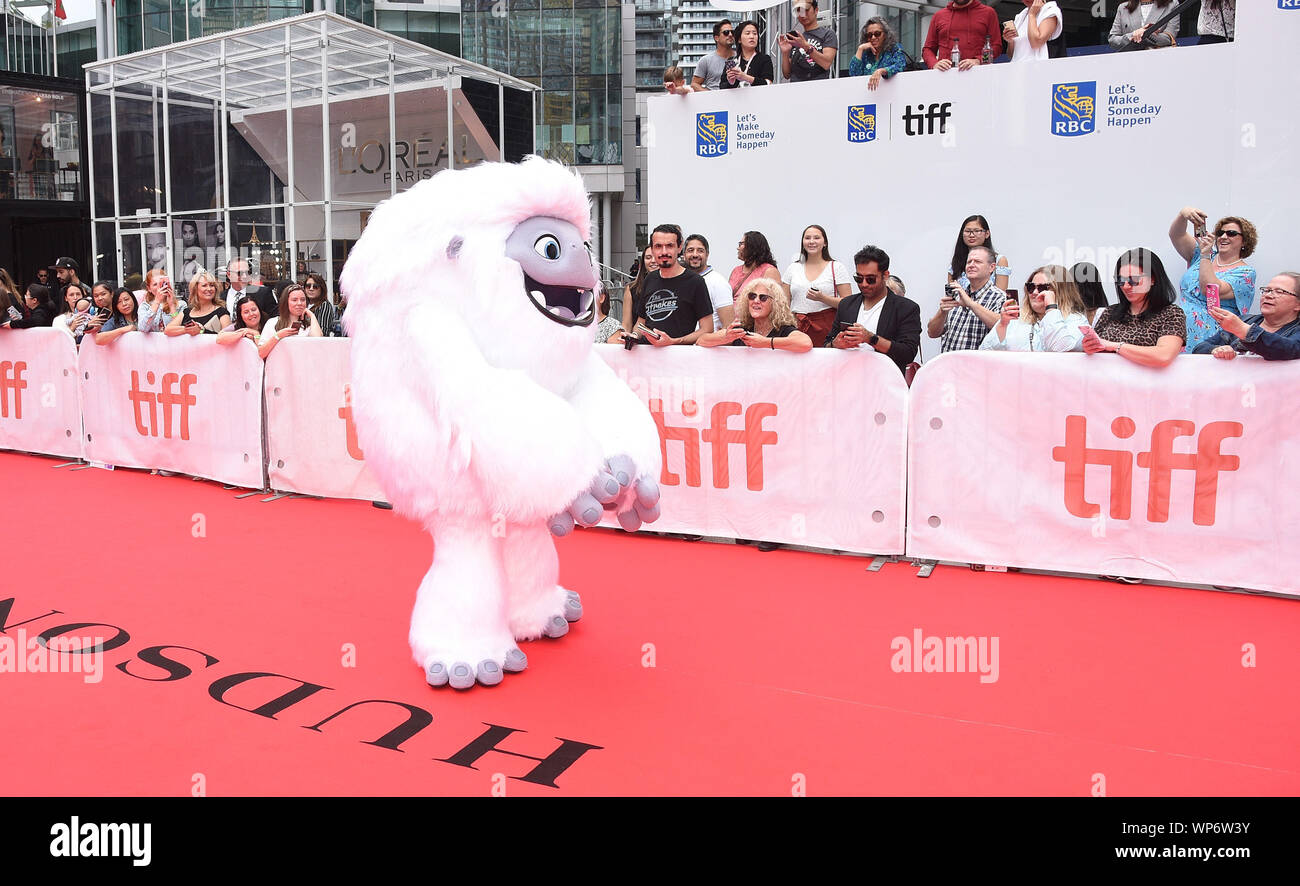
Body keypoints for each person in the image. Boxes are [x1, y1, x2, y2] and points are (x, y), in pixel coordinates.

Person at [1168, 206, 1258, 353]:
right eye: (1220, 233)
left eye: (1231, 233)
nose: (1223, 237)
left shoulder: (1245, 272)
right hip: (1180, 332)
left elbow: (1209, 289)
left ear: (1245, 242)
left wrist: (1205, 256)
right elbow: (1176, 235)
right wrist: (1183, 215)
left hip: (1212, 338)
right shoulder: (1200, 253)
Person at [827, 245, 921, 375]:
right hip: (847, 379)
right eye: (858, 278)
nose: (864, 284)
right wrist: (835, 344)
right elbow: (826, 345)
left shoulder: (906, 308)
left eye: (871, 279)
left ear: (885, 275)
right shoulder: (847, 304)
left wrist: (871, 339)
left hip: (885, 382)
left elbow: (907, 353)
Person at [1084, 248, 1186, 367]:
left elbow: (1164, 355)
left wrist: (1115, 346)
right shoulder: (1109, 313)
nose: (1126, 286)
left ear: (1153, 279)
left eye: (1134, 280)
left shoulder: (1171, 314)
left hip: (1149, 384)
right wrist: (1089, 347)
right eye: (1120, 280)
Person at [628, 224, 713, 347]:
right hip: (648, 358)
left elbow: (707, 328)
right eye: (658, 246)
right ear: (652, 249)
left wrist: (674, 341)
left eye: (669, 246)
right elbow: (641, 323)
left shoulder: (695, 282)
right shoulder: (650, 279)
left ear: (679, 248)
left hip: (679, 358)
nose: (664, 252)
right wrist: (634, 336)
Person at [981, 265, 1089, 352]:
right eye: (1031, 287)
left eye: (1042, 288)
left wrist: (1051, 308)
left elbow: (1060, 348)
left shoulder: (1076, 320)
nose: (1034, 292)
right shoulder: (1016, 321)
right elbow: (984, 352)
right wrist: (1002, 325)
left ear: (1061, 291)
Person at [1194, 274, 1300, 361]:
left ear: (1298, 304)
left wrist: (1243, 330)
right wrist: (1216, 349)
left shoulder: (1241, 324)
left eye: (1279, 292)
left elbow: (1287, 349)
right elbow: (1199, 348)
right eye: (1266, 290)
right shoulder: (1245, 320)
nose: (1268, 295)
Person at [782, 224, 852, 348]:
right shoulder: (793, 268)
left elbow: (848, 303)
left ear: (825, 243)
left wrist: (823, 298)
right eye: (807, 238)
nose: (812, 241)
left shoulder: (836, 267)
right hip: (796, 326)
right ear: (802, 242)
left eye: (816, 238)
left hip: (826, 327)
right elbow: (783, 303)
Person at [697, 277, 812, 352]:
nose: (756, 301)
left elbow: (805, 343)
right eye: (752, 296)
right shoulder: (742, 329)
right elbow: (701, 340)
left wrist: (765, 343)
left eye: (763, 298)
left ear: (775, 303)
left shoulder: (782, 330)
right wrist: (725, 337)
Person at [929, 245, 1007, 352]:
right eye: (969, 262)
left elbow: (1002, 327)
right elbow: (932, 333)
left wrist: (971, 304)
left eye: (977, 262)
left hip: (979, 366)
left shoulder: (998, 297)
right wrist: (942, 312)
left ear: (992, 267)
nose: (971, 265)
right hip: (949, 364)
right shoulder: (957, 294)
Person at [923, 0, 1002, 70]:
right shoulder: (938, 16)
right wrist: (934, 64)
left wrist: (979, 60)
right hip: (946, 76)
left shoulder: (988, 13)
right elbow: (928, 49)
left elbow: (996, 46)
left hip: (978, 74)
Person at [682, 234, 735, 332]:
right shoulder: (681, 281)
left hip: (706, 346)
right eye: (690, 250)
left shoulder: (718, 282)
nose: (695, 254)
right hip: (680, 344)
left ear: (707, 254)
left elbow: (729, 327)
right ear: (684, 254)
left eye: (700, 250)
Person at [779, 0, 838, 83]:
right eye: (799, 11)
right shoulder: (796, 37)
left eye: (806, 10)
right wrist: (785, 52)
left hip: (818, 87)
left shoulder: (827, 34)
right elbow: (787, 74)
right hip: (795, 88)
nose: (803, 15)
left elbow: (826, 63)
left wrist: (805, 46)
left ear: (816, 10)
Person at [259, 283, 323, 359]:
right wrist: (278, 336)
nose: (299, 303)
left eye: (303, 300)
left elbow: (318, 343)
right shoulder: (272, 322)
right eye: (294, 300)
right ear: (286, 302)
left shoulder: (309, 325)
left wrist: (311, 315)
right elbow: (261, 353)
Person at [947, 215, 1010, 291]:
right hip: (960, 303)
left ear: (987, 234)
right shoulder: (957, 260)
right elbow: (951, 294)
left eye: (977, 231)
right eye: (967, 231)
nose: (971, 235)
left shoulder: (999, 260)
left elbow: (1001, 294)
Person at [849, 17, 908, 89]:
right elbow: (853, 75)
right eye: (869, 35)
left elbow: (900, 65)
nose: (873, 37)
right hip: (867, 97)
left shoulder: (894, 49)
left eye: (877, 34)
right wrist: (860, 49)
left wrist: (882, 71)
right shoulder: (865, 54)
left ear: (885, 34)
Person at [167, 271, 229, 336]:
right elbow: (168, 330)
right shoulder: (187, 312)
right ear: (195, 289)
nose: (209, 289)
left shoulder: (222, 312)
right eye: (204, 285)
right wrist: (187, 329)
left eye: (212, 285)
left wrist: (201, 331)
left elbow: (227, 338)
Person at [729, 231, 783, 301]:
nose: (738, 248)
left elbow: (775, 302)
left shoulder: (769, 271)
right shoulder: (736, 270)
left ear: (752, 246)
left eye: (741, 244)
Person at [617, 245, 656, 339]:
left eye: (656, 256)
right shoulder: (631, 288)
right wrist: (625, 338)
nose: (653, 260)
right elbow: (627, 324)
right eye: (648, 257)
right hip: (639, 345)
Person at [1108, 0, 1178, 51]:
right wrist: (1132, 35)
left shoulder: (1172, 4)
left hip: (1158, 60)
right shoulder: (1123, 8)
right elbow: (1113, 40)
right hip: (1131, 62)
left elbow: (1169, 38)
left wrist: (1146, 33)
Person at [722, 21, 773, 88]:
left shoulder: (764, 59)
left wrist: (746, 78)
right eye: (747, 33)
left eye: (755, 33)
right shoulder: (732, 61)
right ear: (739, 39)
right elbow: (722, 87)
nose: (752, 36)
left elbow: (768, 83)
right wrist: (731, 82)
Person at [692, 20, 736, 91]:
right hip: (714, 100)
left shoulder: (741, 57)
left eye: (732, 32)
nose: (730, 35)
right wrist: (711, 96)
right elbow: (694, 84)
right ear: (716, 38)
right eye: (726, 32)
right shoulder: (706, 60)